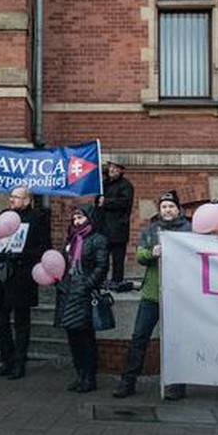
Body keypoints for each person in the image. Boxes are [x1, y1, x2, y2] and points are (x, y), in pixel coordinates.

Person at [113, 190, 191, 400]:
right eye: (164, 206)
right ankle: (127, 382)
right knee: (139, 338)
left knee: (175, 342)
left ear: (178, 209)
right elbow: (140, 256)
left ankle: (176, 385)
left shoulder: (188, 230)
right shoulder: (151, 230)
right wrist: (152, 253)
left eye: (171, 206)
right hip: (151, 295)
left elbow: (194, 258)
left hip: (177, 296)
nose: (167, 210)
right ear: (160, 210)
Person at [0, 185, 51, 380]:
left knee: (21, 324)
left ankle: (19, 363)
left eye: (16, 197)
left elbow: (43, 249)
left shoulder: (37, 218)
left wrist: (20, 254)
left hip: (22, 276)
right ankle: (6, 360)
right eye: (11, 196)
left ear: (27, 200)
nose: (11, 200)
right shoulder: (5, 215)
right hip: (2, 276)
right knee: (0, 321)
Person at [54, 205, 108, 393]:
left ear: (89, 219)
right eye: (75, 218)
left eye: (81, 218)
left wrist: (87, 285)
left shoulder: (98, 240)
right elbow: (62, 262)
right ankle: (79, 374)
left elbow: (101, 266)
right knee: (73, 337)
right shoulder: (72, 239)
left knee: (86, 338)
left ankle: (89, 377)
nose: (77, 221)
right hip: (68, 292)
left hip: (83, 293)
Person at [96, 160, 134, 291]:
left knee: (118, 258)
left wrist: (106, 201)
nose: (112, 170)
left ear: (121, 170)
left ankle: (117, 280)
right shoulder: (104, 184)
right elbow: (97, 202)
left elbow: (124, 202)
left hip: (118, 228)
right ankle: (101, 280)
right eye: (111, 167)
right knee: (102, 257)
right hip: (103, 226)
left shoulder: (126, 185)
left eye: (115, 168)